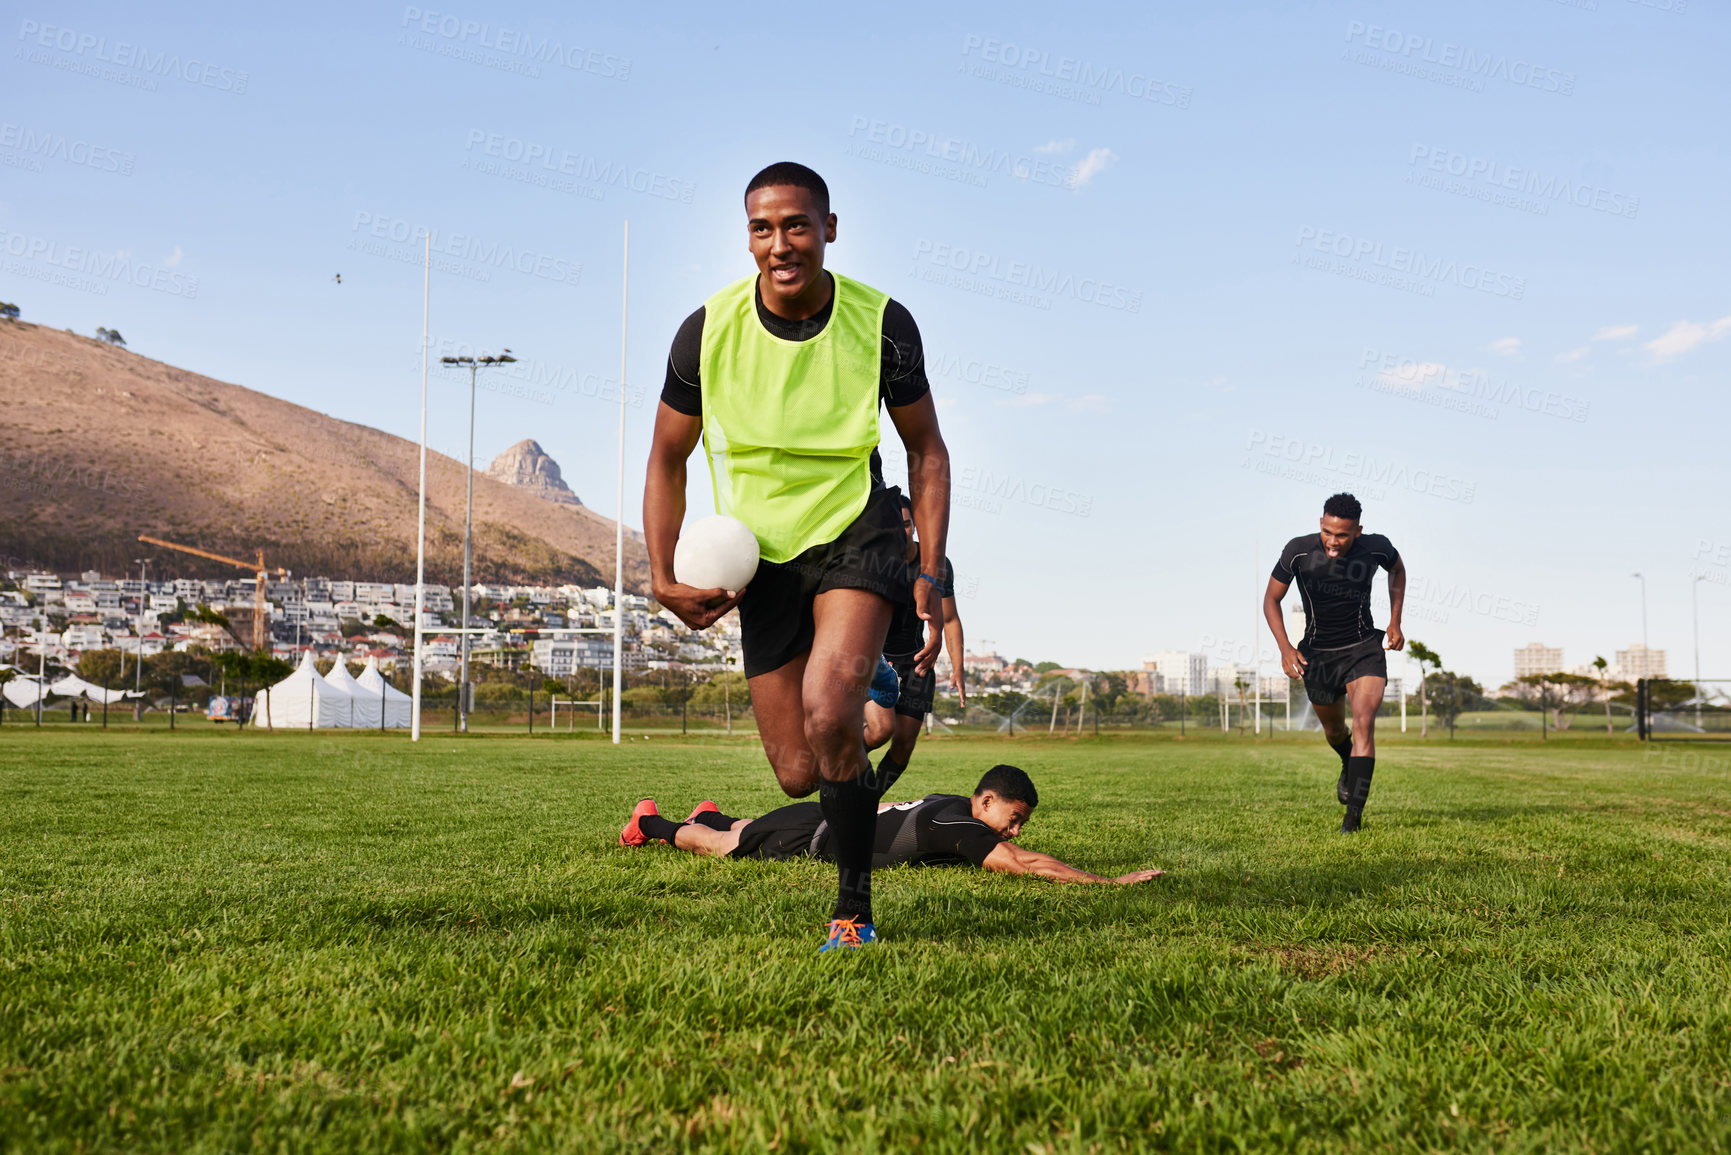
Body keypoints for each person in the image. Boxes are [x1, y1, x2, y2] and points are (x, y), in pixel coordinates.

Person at [643, 162, 952, 952]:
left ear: (829, 229)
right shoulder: (705, 331)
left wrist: (928, 570)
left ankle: (853, 909)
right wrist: (660, 573)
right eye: (762, 227)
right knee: (795, 767)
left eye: (796, 225)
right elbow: (665, 458)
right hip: (761, 557)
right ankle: (867, 695)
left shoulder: (882, 323)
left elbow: (925, 449)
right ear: (747, 236)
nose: (780, 243)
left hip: (857, 530)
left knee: (827, 705)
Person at [619, 764, 1163, 901]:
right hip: (810, 838)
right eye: (1012, 819)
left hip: (817, 821)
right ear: (986, 802)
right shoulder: (960, 825)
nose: (1014, 832)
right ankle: (650, 822)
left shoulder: (956, 804)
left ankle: (710, 811)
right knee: (722, 845)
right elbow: (1024, 864)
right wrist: (1108, 882)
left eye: (1021, 825)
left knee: (748, 826)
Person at [1262, 492, 1407, 833]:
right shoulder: (1298, 551)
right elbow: (1271, 598)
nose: (1332, 541)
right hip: (1318, 656)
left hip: (1363, 650)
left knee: (1363, 725)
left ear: (1357, 531)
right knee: (1334, 731)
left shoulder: (1375, 547)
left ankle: (1352, 820)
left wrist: (1395, 621)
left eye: (1341, 534)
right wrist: (1284, 648)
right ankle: (1347, 759)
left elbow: (1397, 570)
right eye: (1327, 531)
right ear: (1321, 524)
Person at [862, 493, 963, 793]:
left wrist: (957, 668)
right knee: (881, 731)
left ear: (915, 526)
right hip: (878, 660)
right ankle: (835, 762)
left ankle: (867, 801)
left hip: (917, 663)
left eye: (906, 524)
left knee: (903, 746)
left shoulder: (936, 564)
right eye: (895, 525)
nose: (901, 531)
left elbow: (951, 619)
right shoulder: (875, 562)